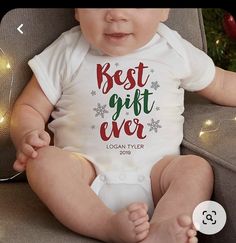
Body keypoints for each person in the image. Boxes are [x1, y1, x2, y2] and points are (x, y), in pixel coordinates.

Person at [9, 8, 236, 243]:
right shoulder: (67, 51)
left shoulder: (174, 49)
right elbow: (30, 107)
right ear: (77, 10)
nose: (116, 14)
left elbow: (220, 84)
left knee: (196, 169)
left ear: (164, 11)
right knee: (43, 162)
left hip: (157, 177)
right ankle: (105, 225)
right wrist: (28, 133)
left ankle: (163, 227)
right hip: (84, 177)